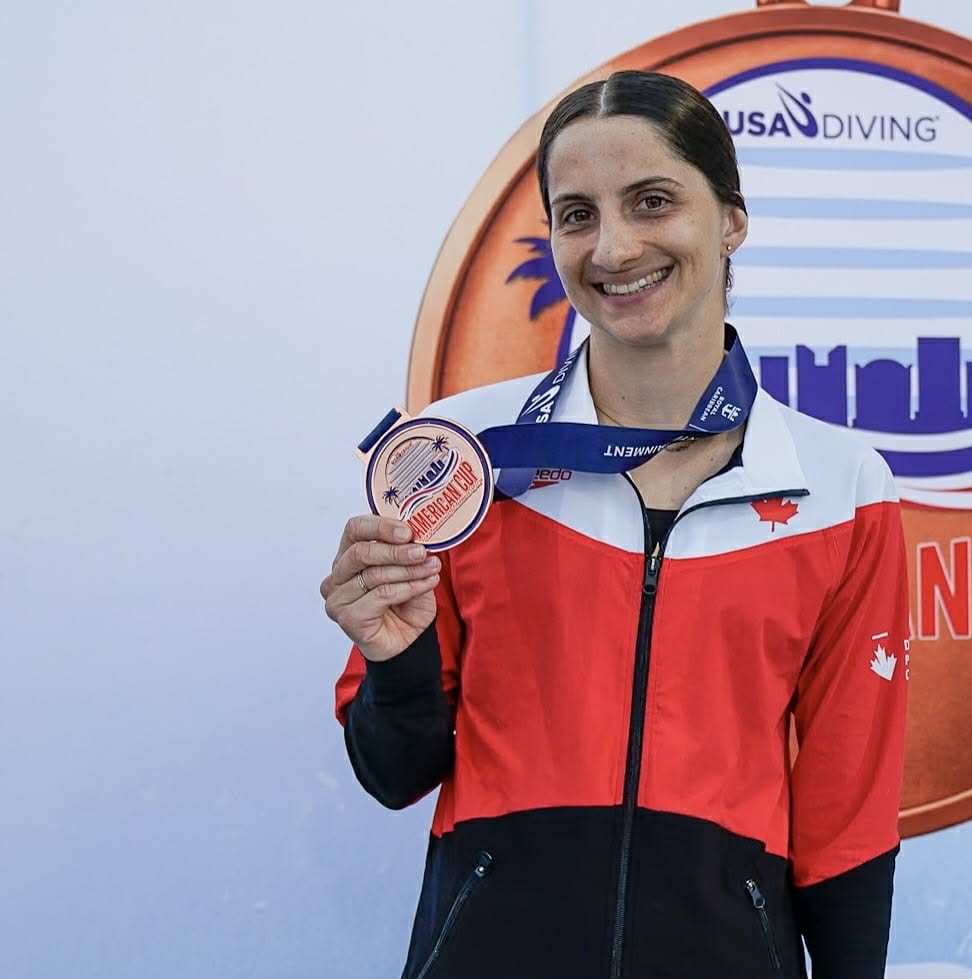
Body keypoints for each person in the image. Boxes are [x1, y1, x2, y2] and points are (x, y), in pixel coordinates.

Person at [323, 70, 911, 979]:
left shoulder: (840, 490)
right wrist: (396, 659)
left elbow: (847, 811)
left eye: (653, 200)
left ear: (732, 220)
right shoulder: (471, 460)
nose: (614, 246)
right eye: (577, 214)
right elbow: (394, 773)